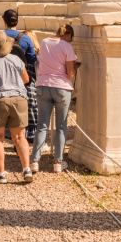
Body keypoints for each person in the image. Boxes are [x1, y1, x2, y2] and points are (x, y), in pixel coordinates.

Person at [0, 31, 33, 184]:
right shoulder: (15, 59)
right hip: (19, 98)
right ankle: (27, 170)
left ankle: (0, 174)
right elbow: (26, 79)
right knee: (20, 137)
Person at [31, 24, 78, 173]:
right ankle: (58, 161)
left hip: (43, 85)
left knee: (42, 125)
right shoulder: (67, 47)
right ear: (68, 34)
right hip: (61, 87)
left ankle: (35, 161)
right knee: (61, 126)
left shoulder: (44, 42)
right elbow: (70, 73)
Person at [3, 9, 39, 142]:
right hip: (20, 76)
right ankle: (24, 135)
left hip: (3, 76)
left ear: (4, 21)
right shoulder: (25, 39)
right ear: (17, 20)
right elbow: (31, 59)